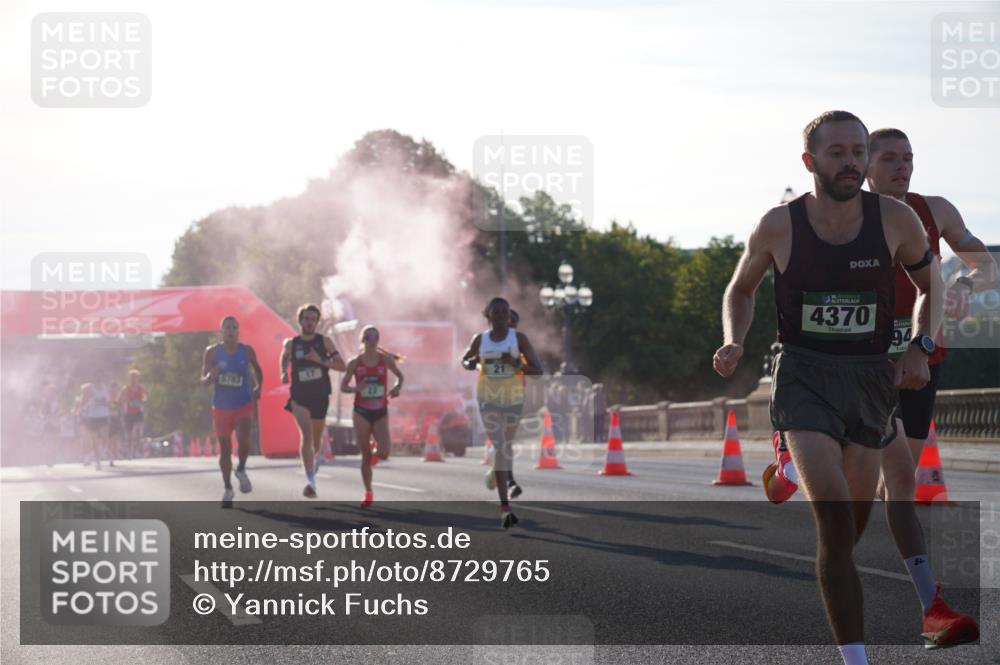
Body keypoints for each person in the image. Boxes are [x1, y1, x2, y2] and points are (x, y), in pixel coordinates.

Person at [713, 111, 944, 665]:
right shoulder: (778, 224)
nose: (851, 162)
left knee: (849, 531)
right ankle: (855, 658)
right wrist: (734, 340)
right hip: (804, 374)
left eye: (858, 151)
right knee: (835, 520)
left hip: (868, 380)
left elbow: (930, 284)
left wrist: (921, 345)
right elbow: (739, 289)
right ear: (809, 161)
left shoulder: (894, 219)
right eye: (837, 152)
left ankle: (791, 474)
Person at [864, 128, 986, 647]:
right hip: (863, 364)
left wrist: (962, 285)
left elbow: (984, 263)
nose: (902, 166)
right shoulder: (846, 216)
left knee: (899, 482)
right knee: (895, 477)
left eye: (908, 158)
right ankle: (931, 605)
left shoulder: (934, 210)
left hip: (922, 357)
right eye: (889, 158)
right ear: (865, 166)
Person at [462, 297, 542, 528]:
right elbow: (465, 359)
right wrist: (470, 362)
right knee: (500, 445)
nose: (500, 317)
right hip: (488, 398)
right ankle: (505, 508)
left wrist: (516, 363)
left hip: (513, 399)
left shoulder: (519, 339)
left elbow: (538, 371)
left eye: (504, 313)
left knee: (505, 446)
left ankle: (497, 473)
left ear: (509, 316)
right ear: (488, 316)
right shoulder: (480, 339)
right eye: (495, 313)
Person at [281, 304, 346, 498]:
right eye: (306, 319)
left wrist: (320, 360)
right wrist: (283, 372)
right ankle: (311, 481)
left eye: (313, 319)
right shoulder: (291, 344)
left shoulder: (325, 342)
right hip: (299, 396)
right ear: (300, 320)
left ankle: (313, 463)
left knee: (316, 442)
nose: (309, 322)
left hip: (320, 395)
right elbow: (284, 358)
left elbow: (342, 366)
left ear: (316, 322)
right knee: (306, 436)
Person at [202, 316, 263, 507]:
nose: (231, 331)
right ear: (221, 331)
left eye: (234, 328)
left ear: (238, 330)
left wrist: (258, 388)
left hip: (243, 403)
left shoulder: (247, 350)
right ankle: (228, 488)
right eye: (227, 328)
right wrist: (210, 376)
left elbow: (258, 370)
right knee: (225, 450)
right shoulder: (212, 352)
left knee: (245, 439)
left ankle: (242, 469)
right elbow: (203, 380)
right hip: (221, 406)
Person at [340, 325, 404, 507]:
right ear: (363, 340)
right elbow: (343, 386)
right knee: (365, 455)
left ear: (378, 340)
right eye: (368, 336)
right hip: (361, 411)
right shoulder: (355, 362)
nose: (372, 339)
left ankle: (376, 451)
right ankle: (368, 492)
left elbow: (400, 376)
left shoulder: (385, 360)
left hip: (380, 410)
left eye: (376, 336)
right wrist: (355, 389)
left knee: (384, 453)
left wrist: (397, 388)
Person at [78, 373, 115, 470]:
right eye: (96, 377)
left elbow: (109, 402)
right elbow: (83, 400)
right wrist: (81, 409)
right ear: (93, 378)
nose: (98, 379)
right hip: (93, 417)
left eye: (100, 377)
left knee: (105, 437)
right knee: (94, 441)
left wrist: (107, 404)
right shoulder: (90, 389)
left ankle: (110, 457)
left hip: (103, 415)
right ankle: (98, 462)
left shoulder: (105, 388)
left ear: (102, 378)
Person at [118, 370, 148, 459]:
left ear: (138, 378)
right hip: (129, 413)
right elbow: (119, 399)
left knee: (139, 432)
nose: (134, 379)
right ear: (129, 378)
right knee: (131, 434)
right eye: (132, 377)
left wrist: (143, 401)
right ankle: (130, 451)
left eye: (136, 377)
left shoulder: (141, 387)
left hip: (138, 412)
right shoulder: (125, 388)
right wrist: (125, 401)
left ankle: (136, 450)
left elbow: (146, 396)